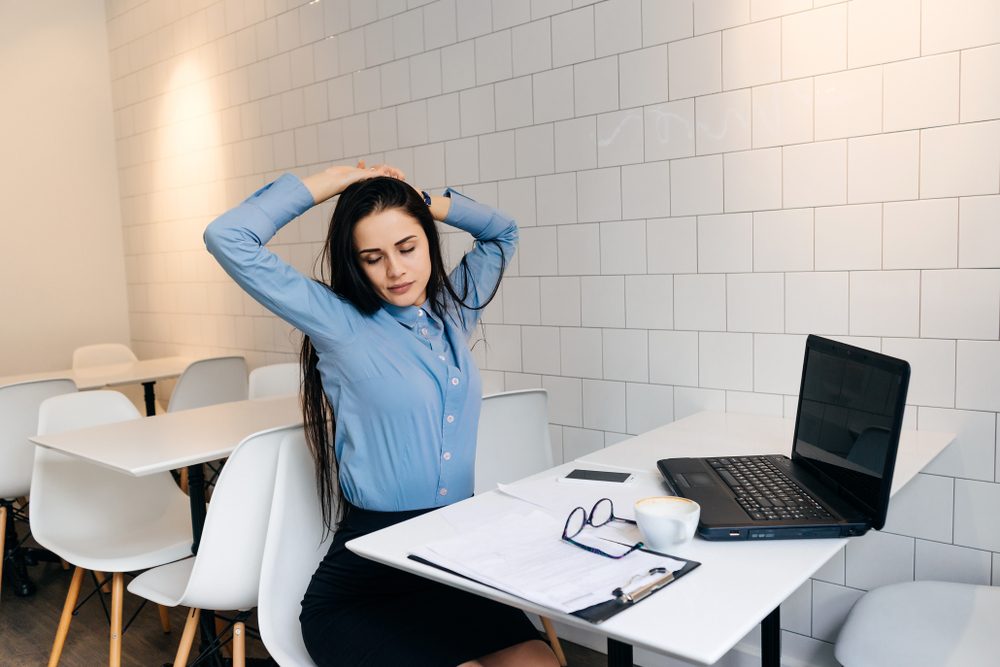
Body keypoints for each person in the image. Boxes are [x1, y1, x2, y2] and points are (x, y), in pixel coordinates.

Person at [204, 163, 559, 667]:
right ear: (356, 264)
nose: (395, 271)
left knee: (538, 662)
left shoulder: (454, 312)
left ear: (429, 243)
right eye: (373, 258)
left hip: (448, 564)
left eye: (407, 247)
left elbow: (502, 232)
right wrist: (339, 181)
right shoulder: (338, 323)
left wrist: (421, 199)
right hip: (364, 585)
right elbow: (227, 236)